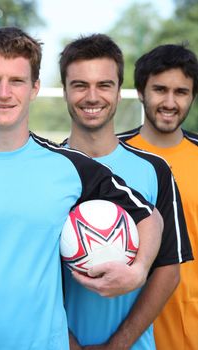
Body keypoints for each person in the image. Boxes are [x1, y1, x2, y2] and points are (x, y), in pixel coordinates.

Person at [0, 27, 164, 350]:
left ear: (34, 88)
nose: (4, 92)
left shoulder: (70, 166)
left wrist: (139, 271)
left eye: (16, 81)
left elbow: (148, 215)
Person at [59, 34, 193, 349]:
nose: (93, 97)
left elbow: (168, 272)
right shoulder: (45, 169)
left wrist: (117, 345)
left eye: (104, 85)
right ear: (64, 90)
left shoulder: (155, 169)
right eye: (80, 85)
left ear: (120, 92)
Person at [118, 43, 198, 350]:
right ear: (140, 92)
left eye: (181, 92)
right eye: (159, 89)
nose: (169, 101)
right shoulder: (112, 159)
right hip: (130, 334)